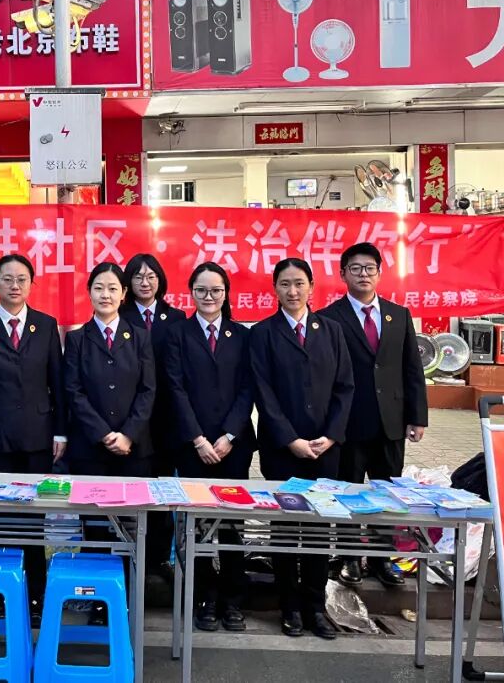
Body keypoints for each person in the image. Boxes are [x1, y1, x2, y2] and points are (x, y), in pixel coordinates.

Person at [0, 254, 65, 626]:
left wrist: (61, 432)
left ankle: (36, 594)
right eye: (7, 279)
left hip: (37, 438)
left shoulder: (46, 326)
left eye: (22, 279)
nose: (15, 285)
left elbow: (57, 383)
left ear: (32, 284)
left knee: (34, 523)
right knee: (0, 521)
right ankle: (4, 594)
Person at [249, 257, 353, 641]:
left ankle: (315, 606)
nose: (292, 291)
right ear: (274, 289)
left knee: (318, 528)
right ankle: (289, 606)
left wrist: (332, 435)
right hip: (282, 449)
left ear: (311, 286)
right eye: (285, 284)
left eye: (299, 283)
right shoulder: (263, 333)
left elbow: (345, 387)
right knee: (284, 528)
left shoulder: (332, 330)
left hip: (326, 449)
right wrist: (290, 439)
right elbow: (263, 392)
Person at [319, 242, 428, 589]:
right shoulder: (329, 318)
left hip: (391, 423)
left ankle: (382, 558)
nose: (363, 274)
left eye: (369, 268)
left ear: (380, 273)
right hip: (349, 423)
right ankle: (350, 557)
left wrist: (417, 416)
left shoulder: (399, 315)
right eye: (355, 268)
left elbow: (412, 369)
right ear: (343, 274)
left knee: (387, 494)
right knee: (350, 491)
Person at [165, 261, 255, 633]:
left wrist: (229, 435)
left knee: (232, 523)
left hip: (234, 446)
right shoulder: (177, 334)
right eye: (201, 290)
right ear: (191, 293)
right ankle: (204, 597)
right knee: (196, 524)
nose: (209, 296)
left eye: (216, 290)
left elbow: (248, 388)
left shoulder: (242, 335)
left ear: (225, 293)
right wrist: (199, 439)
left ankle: (233, 599)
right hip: (192, 446)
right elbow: (174, 388)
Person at [121, 253, 186, 582]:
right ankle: (128, 555)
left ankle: (160, 557)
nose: (144, 283)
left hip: (165, 421)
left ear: (160, 280)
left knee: (162, 491)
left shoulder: (176, 318)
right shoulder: (119, 315)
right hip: (128, 420)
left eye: (151, 276)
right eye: (137, 276)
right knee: (131, 491)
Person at [64, 262, 156, 478]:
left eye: (113, 289)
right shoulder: (76, 339)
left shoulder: (140, 336)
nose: (105, 295)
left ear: (123, 293)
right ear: (89, 292)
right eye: (98, 288)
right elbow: (73, 391)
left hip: (133, 448)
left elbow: (147, 390)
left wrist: (128, 434)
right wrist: (103, 434)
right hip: (89, 448)